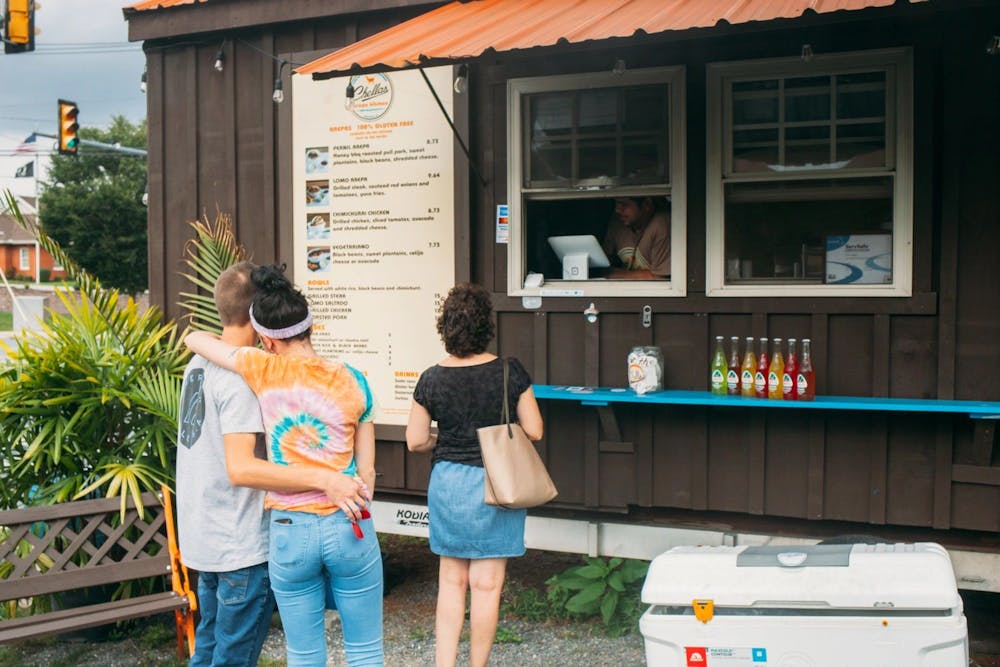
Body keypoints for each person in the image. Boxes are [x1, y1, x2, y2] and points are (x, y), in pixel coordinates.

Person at [185, 263, 383, 667]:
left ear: (267, 337)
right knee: (365, 650)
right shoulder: (354, 379)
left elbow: (195, 339)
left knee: (304, 653)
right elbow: (367, 473)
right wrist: (348, 490)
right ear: (310, 326)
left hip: (288, 531)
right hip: (347, 522)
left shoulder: (258, 369)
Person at [405, 282, 544, 667]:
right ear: (487, 327)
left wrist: (442, 439)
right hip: (495, 482)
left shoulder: (431, 378)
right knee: (486, 585)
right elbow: (534, 430)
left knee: (451, 582)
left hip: (448, 483)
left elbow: (415, 440)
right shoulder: (508, 371)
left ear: (445, 328)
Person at [602, 196, 671, 279]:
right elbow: (604, 262)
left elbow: (660, 278)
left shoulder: (661, 224)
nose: (617, 210)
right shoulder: (617, 222)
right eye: (616, 204)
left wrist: (615, 274)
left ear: (647, 204)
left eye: (624, 204)